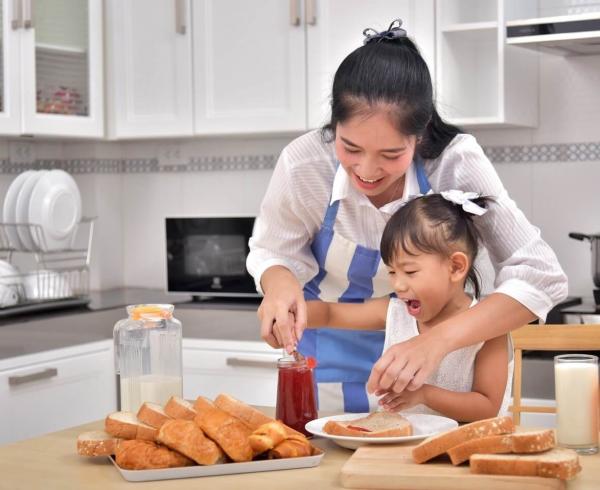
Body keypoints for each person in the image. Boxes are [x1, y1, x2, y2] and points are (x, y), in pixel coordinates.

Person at [247, 19, 567, 413]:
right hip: (325, 362)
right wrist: (278, 287)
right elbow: (272, 250)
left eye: (391, 155)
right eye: (350, 147)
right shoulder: (304, 163)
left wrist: (436, 341)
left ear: (420, 136)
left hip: (437, 377)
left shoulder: (455, 161)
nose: (366, 170)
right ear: (334, 126)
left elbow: (542, 275)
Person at [303, 192, 512, 421]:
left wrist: (425, 395)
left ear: (455, 267)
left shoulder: (489, 326)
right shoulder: (396, 313)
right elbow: (330, 314)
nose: (398, 285)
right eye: (392, 272)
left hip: (470, 450)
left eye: (410, 272)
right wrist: (292, 312)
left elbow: (487, 406)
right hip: (404, 451)